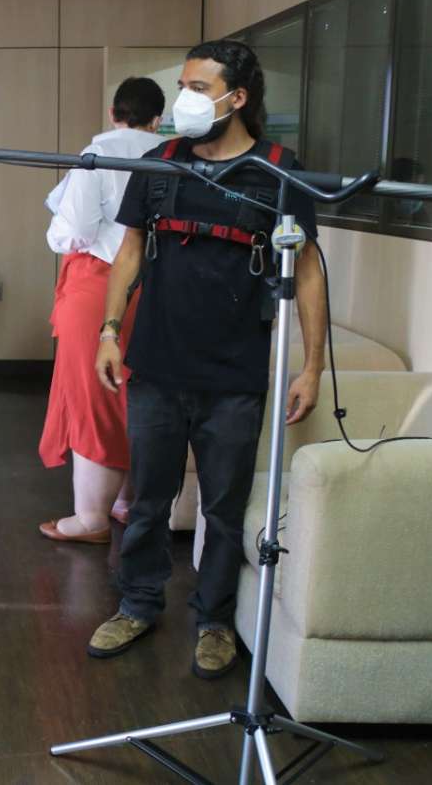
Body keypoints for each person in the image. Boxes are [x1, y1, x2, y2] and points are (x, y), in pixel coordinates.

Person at [87, 40, 325, 679]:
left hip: (234, 373)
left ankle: (214, 619)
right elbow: (130, 251)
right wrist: (109, 331)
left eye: (198, 88)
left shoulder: (279, 171)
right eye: (183, 87)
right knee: (148, 500)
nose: (184, 100)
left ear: (237, 98)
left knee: (223, 508)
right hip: (157, 364)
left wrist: (310, 367)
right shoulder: (160, 164)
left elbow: (306, 271)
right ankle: (137, 604)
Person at [38, 77, 167, 545]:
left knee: (93, 396)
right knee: (136, 393)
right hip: (157, 289)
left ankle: (91, 518)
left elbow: (72, 230)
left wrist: (56, 235)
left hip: (99, 286)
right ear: (158, 119)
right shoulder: (174, 156)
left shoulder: (98, 154)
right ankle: (125, 501)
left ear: (114, 113)